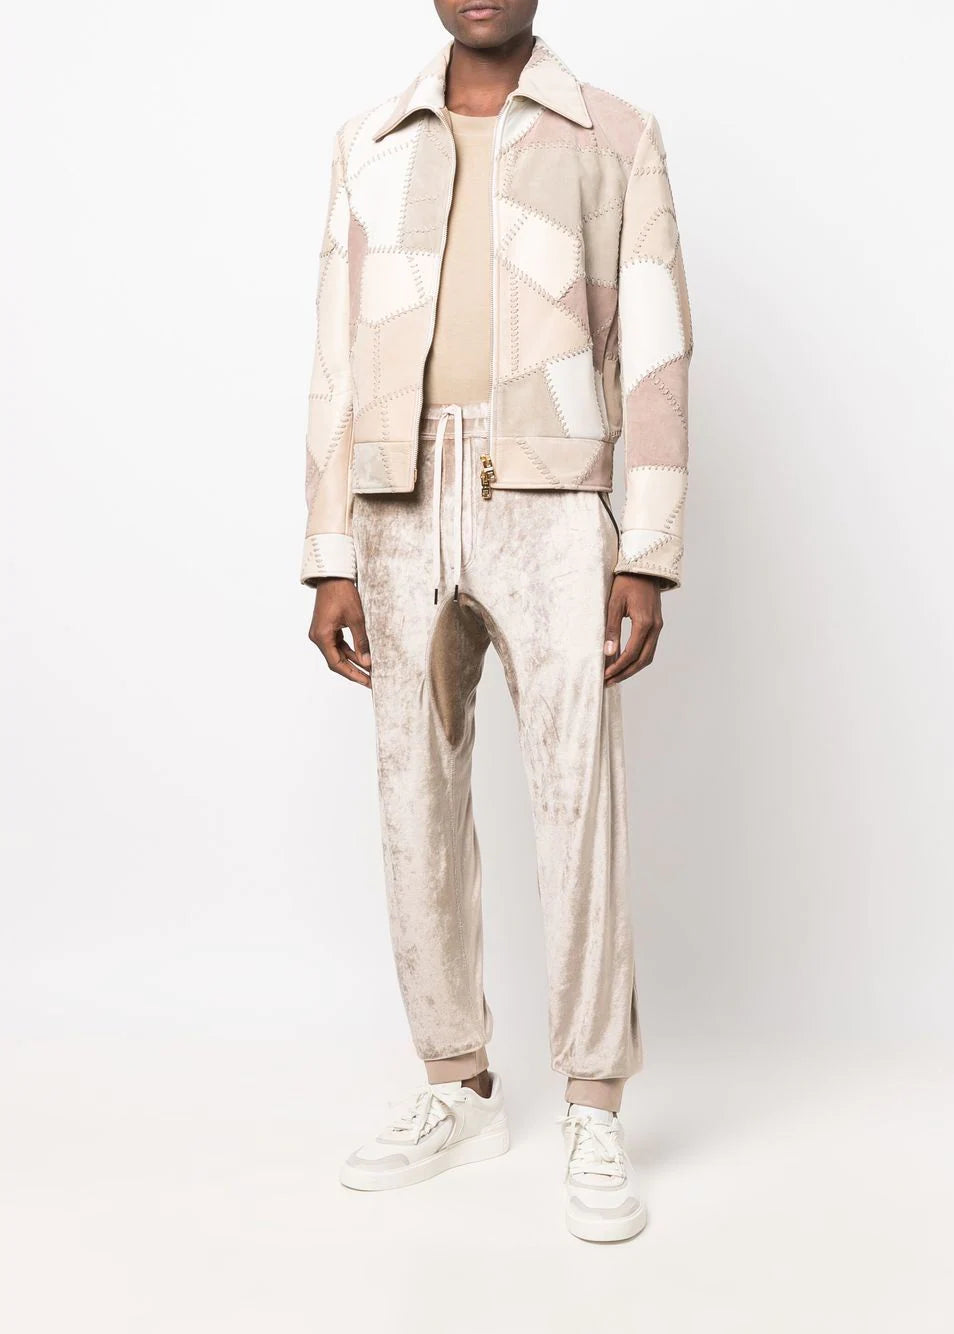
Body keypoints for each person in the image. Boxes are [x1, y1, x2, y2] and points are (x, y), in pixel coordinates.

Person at [302, 0, 691, 1243]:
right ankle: (456, 1082)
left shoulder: (611, 134)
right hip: (395, 498)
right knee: (413, 796)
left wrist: (647, 548)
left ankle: (593, 1101)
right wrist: (328, 553)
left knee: (579, 799)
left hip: (553, 498)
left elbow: (656, 352)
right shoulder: (369, 139)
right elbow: (333, 355)